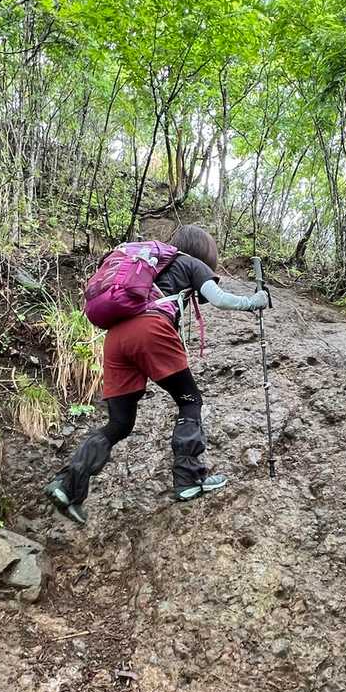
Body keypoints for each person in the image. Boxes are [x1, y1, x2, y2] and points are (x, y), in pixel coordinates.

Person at [45, 225, 268, 524]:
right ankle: (189, 479)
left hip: (116, 338)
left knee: (119, 423)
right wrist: (254, 302)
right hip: (150, 328)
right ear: (204, 251)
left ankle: (67, 485)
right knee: (190, 401)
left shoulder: (152, 264)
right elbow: (219, 299)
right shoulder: (190, 262)